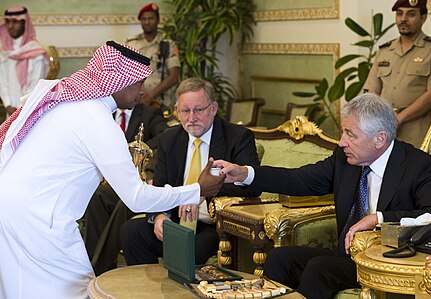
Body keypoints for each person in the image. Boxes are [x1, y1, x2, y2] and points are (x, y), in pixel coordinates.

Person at [0, 41, 224, 298]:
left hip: (10, 208)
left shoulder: (70, 104)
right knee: (78, 292)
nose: (143, 93)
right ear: (120, 82)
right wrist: (197, 189)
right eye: (139, 84)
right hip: (37, 220)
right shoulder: (97, 121)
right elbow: (136, 198)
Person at [214, 93, 431, 298]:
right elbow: (299, 179)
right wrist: (245, 173)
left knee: (320, 267)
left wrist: (379, 218)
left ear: (380, 138)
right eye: (342, 132)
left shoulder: (419, 166)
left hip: (387, 263)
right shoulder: (345, 159)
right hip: (345, 256)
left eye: (350, 134)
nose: (342, 142)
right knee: (279, 259)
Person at [120, 77, 261, 266]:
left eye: (199, 110)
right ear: (177, 111)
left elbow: (253, 187)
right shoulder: (169, 139)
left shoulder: (237, 137)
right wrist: (160, 216)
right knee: (131, 231)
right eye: (185, 111)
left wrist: (200, 194)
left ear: (213, 108)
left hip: (212, 225)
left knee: (189, 249)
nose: (191, 118)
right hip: (177, 220)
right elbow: (160, 186)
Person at [83, 103, 168, 267]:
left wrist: (135, 149)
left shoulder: (149, 113)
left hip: (139, 181)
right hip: (110, 180)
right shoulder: (103, 113)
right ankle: (95, 260)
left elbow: (164, 135)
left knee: (126, 201)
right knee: (97, 196)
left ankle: (98, 266)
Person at [363, 0, 431, 148]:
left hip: (418, 129)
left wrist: (399, 118)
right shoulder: (385, 50)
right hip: (383, 128)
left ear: (423, 18)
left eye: (411, 14)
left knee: (414, 169)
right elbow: (372, 89)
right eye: (399, 13)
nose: (403, 19)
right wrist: (381, 119)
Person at [125, 3, 180, 108]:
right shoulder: (131, 44)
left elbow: (173, 76)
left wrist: (151, 95)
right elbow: (124, 73)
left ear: (158, 20)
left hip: (161, 103)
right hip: (136, 101)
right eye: (144, 19)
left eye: (151, 18)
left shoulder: (168, 44)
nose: (147, 22)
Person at [0, 6, 49, 116]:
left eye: (15, 22)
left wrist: (22, 108)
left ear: (25, 24)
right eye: (8, 22)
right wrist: (8, 104)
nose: (11, 26)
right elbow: (2, 82)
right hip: (10, 110)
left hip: (29, 109)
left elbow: (36, 84)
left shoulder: (36, 53)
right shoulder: (4, 53)